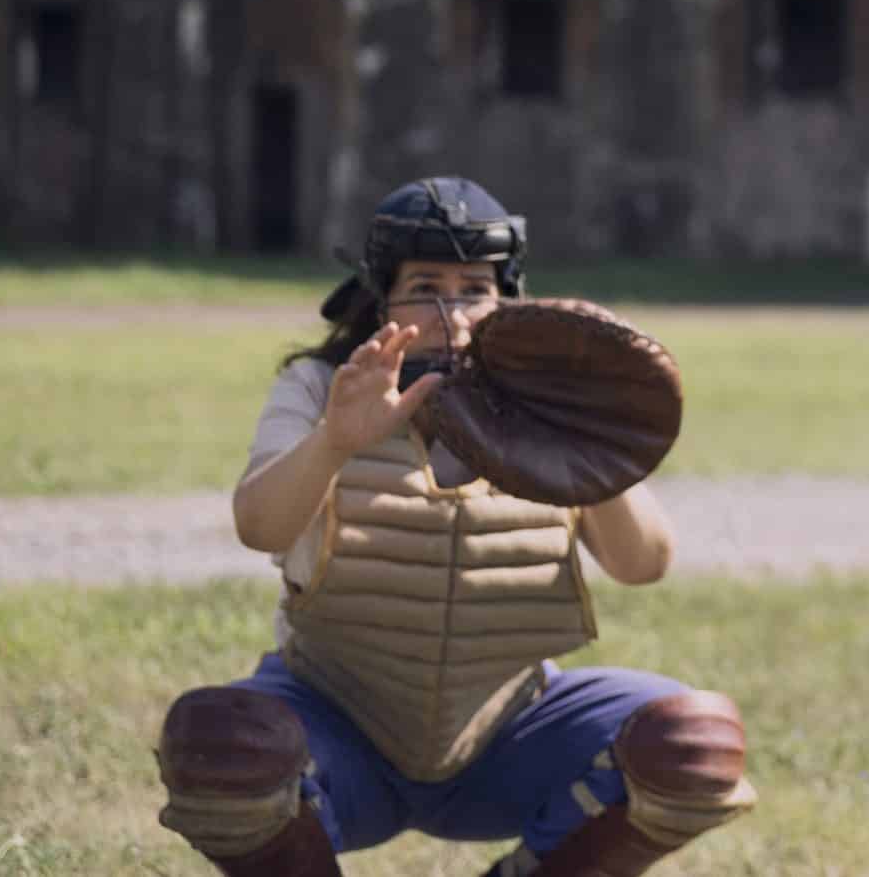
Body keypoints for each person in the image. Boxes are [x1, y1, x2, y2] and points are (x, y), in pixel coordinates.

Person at [152, 177, 754, 876]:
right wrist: (336, 440)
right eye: (426, 286)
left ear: (505, 298)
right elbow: (259, 524)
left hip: (509, 726)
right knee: (222, 744)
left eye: (475, 287)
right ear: (382, 297)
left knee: (693, 741)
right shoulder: (321, 387)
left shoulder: (545, 403)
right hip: (336, 715)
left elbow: (644, 562)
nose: (452, 310)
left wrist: (588, 444)